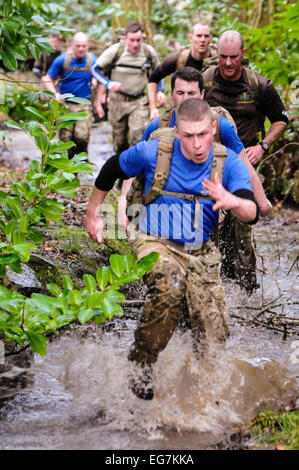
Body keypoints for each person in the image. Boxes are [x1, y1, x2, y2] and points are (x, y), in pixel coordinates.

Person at [85, 98, 259, 400]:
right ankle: (140, 362)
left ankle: (199, 400)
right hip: (153, 237)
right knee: (170, 284)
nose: (197, 144)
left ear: (213, 128)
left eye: (203, 134)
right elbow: (113, 166)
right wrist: (93, 212)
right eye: (188, 136)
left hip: (199, 249)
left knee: (213, 335)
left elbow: (251, 210)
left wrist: (234, 202)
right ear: (177, 132)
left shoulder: (227, 161)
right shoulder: (154, 151)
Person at [118, 68, 271, 291]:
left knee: (219, 244)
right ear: (172, 95)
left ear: (201, 95)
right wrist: (123, 201)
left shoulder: (219, 125)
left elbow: (243, 165)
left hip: (212, 194)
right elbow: (134, 166)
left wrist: (261, 201)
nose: (185, 99)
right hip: (168, 195)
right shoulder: (158, 125)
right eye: (180, 93)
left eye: (191, 93)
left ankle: (235, 291)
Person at [202, 30, 289, 290]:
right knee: (212, 224)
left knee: (241, 225)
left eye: (233, 57)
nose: (228, 63)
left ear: (243, 54)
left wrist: (263, 146)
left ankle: (245, 290)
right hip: (210, 162)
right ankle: (213, 285)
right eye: (223, 57)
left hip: (246, 162)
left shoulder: (259, 86)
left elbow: (281, 119)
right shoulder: (205, 82)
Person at [91, 21, 166, 156]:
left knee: (138, 138)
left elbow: (158, 73)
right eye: (132, 40)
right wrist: (108, 84)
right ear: (126, 38)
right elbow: (95, 69)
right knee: (120, 143)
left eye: (139, 40)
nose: (136, 44)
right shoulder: (116, 51)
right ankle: (121, 173)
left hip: (139, 101)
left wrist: (160, 91)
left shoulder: (148, 52)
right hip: (117, 101)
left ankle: (135, 174)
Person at [42, 32, 98, 159]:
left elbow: (101, 77)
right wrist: (55, 94)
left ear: (87, 46)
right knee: (66, 139)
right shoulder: (63, 60)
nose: (81, 49)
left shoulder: (92, 60)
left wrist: (96, 86)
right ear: (72, 45)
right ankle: (68, 170)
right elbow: (47, 78)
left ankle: (81, 160)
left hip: (84, 104)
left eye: (84, 46)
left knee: (82, 136)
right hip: (65, 105)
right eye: (78, 46)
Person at [148, 23, 217, 120]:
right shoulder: (178, 59)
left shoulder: (218, 60)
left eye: (206, 36)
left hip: (210, 112)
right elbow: (153, 78)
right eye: (199, 36)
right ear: (190, 38)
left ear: (210, 39)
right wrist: (153, 108)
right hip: (182, 112)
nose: (202, 40)